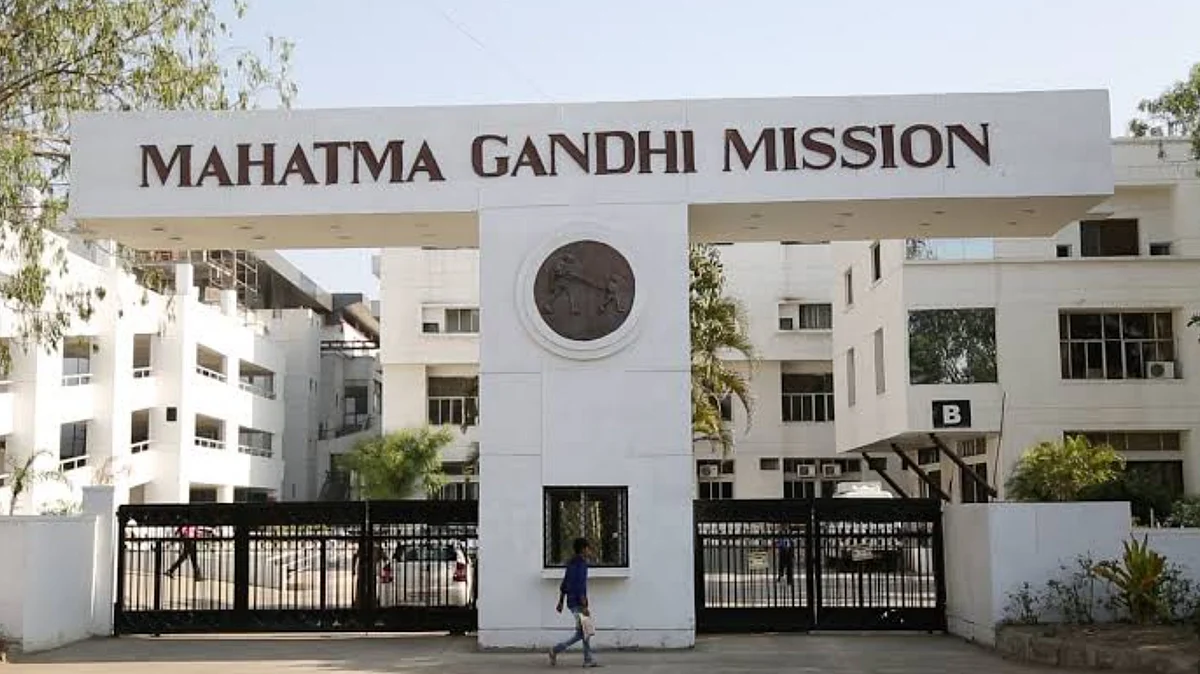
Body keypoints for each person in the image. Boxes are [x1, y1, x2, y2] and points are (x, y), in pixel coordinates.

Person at [549, 537, 597, 668]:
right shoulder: (581, 564)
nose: (589, 551)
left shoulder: (571, 563)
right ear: (583, 549)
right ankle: (555, 650)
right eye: (588, 548)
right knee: (583, 632)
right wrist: (584, 605)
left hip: (571, 601)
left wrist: (561, 601)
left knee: (585, 630)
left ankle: (588, 659)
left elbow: (565, 583)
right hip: (578, 602)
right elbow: (580, 585)